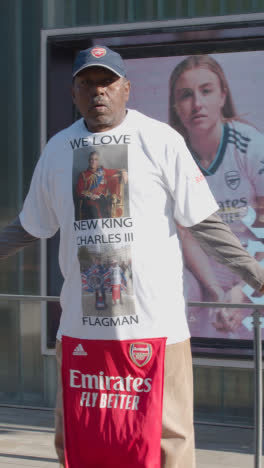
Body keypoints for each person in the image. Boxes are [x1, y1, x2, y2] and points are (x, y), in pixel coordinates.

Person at [1, 46, 264, 468]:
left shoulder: (160, 140)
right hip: (82, 328)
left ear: (127, 88)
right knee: (77, 437)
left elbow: (204, 222)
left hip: (155, 329)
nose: (97, 91)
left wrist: (256, 275)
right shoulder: (57, 150)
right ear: (73, 92)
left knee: (168, 440)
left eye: (107, 82)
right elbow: (30, 226)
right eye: (87, 83)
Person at [169, 54, 264, 337]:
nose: (197, 104)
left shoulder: (250, 145)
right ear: (175, 106)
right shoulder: (172, 154)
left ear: (222, 95)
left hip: (254, 264)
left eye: (206, 91)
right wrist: (216, 291)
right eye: (186, 95)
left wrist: (241, 290)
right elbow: (184, 233)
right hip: (203, 275)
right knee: (175, 288)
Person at [76, 149, 128, 219]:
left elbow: (113, 171)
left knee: (107, 206)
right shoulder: (83, 175)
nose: (93, 162)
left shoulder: (102, 171)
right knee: (96, 209)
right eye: (91, 159)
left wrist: (123, 171)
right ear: (88, 161)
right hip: (89, 201)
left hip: (103, 200)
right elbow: (79, 191)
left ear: (98, 161)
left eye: (96, 159)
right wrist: (90, 195)